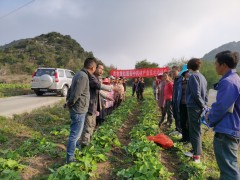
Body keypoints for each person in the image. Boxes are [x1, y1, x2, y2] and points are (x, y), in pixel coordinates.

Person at [206, 50, 240, 179]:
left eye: (216, 63)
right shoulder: (235, 79)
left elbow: (221, 107)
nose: (215, 66)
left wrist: (209, 117)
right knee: (230, 165)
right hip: (233, 127)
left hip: (227, 129)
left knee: (229, 171)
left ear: (223, 65)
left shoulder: (228, 82)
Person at [65, 57, 97, 164]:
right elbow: (76, 94)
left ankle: (76, 150)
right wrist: (70, 103)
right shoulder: (83, 76)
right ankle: (70, 159)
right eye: (95, 68)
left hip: (78, 108)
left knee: (76, 133)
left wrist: (68, 102)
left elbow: (70, 90)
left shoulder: (78, 74)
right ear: (92, 67)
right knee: (75, 135)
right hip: (78, 109)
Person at [81, 63, 112, 147]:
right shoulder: (91, 77)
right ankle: (84, 145)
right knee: (88, 126)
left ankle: (88, 143)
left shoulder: (97, 78)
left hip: (94, 106)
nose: (101, 71)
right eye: (100, 68)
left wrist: (106, 97)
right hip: (89, 105)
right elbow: (98, 86)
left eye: (103, 69)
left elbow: (98, 91)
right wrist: (111, 88)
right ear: (95, 68)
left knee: (92, 125)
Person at [184, 58, 208, 163]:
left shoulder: (193, 77)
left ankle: (196, 154)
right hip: (199, 106)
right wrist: (205, 104)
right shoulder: (202, 77)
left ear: (189, 68)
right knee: (195, 129)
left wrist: (202, 105)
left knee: (195, 130)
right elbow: (205, 94)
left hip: (194, 107)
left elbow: (196, 94)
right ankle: (194, 150)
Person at [177, 65, 190, 142]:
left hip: (188, 104)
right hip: (181, 103)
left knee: (188, 122)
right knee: (182, 121)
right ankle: (184, 137)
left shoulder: (191, 81)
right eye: (186, 73)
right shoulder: (181, 82)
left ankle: (188, 139)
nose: (187, 74)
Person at [171, 66, 182, 135]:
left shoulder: (181, 79)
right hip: (174, 101)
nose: (173, 73)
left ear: (179, 71)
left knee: (179, 116)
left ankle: (180, 131)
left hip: (179, 102)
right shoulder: (175, 80)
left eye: (174, 71)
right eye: (172, 72)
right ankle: (177, 129)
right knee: (175, 115)